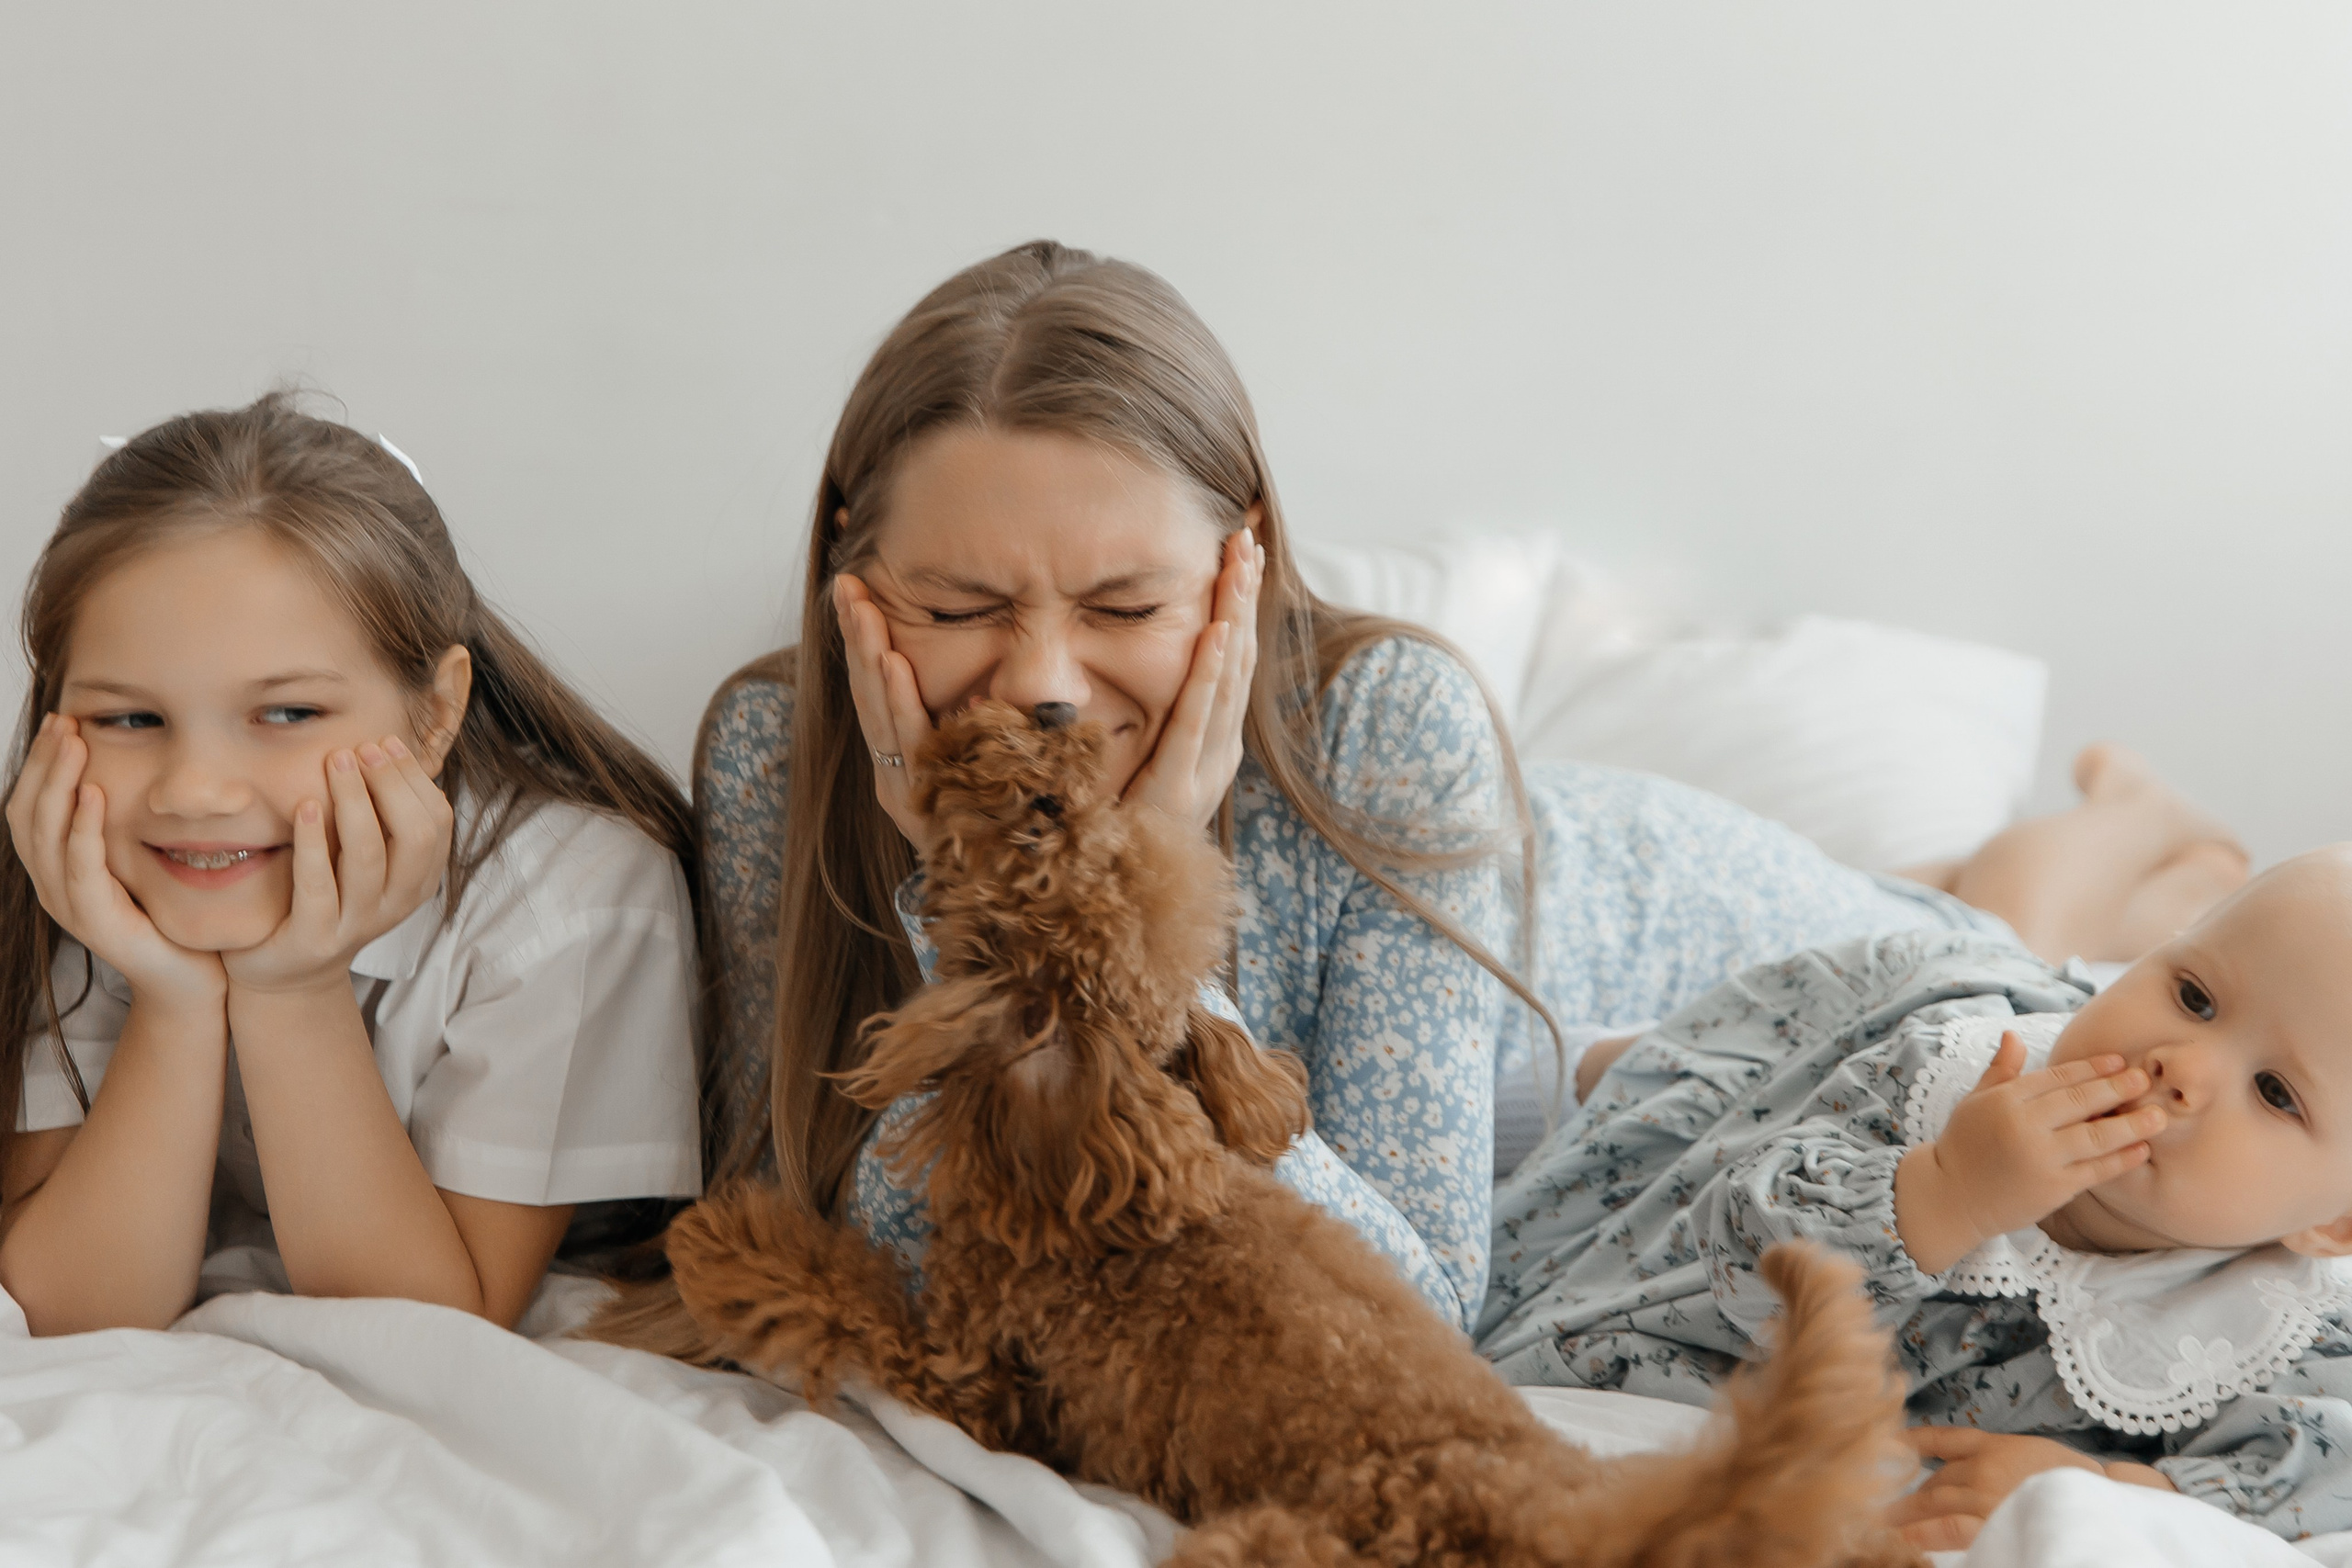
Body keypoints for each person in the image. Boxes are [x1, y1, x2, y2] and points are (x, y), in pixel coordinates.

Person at [666, 239, 2246, 1342]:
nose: (1050, 685)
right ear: (848, 578)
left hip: (1656, 941)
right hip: (1533, 938)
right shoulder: (771, 756)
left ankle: (2133, 827)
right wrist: (980, 896)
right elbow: (810, 1239)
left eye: (1126, 608)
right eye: (956, 612)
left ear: (1242, 573)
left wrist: (1131, 950)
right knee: (1980, 909)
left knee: (1979, 950)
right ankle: (2118, 831)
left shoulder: (1390, 720)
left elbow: (1425, 1305)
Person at [0, 396, 702, 1335]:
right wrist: (170, 999)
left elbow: (432, 1322)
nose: (196, 790)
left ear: (436, 713)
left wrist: (293, 991)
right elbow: (73, 1308)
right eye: (131, 718)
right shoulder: (90, 848)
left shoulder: (574, 895)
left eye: (287, 714)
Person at [1478, 847, 2352, 1547]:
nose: (2183, 1064)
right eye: (2192, 993)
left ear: (2331, 1222)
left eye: (2276, 1092)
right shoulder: (1929, 1069)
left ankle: (2175, 867)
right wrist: (1946, 1190)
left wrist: (2120, 1485)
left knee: (2039, 919)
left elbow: (2323, 1469)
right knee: (1630, 1084)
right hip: (1831, 1025)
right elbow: (1739, 1249)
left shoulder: (2285, 1323)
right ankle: (2124, 821)